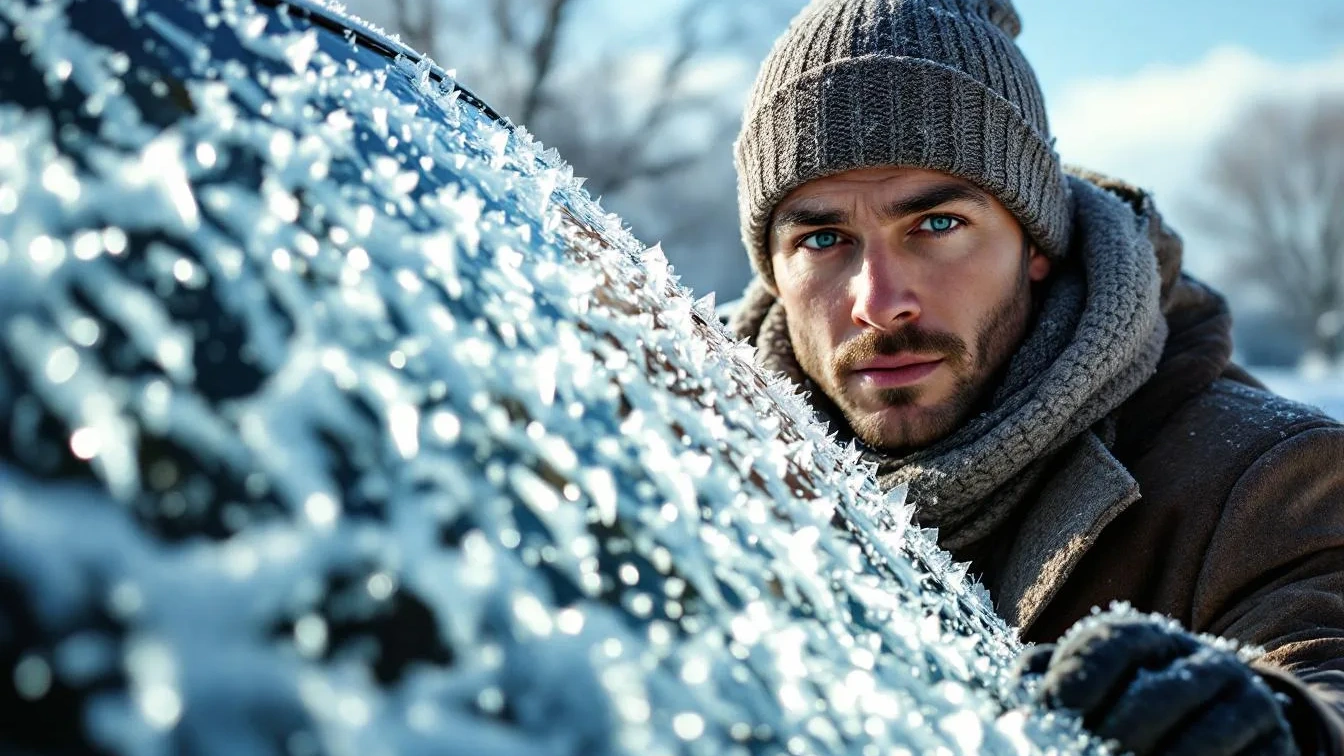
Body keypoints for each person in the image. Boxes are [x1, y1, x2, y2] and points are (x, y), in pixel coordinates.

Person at [727, 1, 1344, 754]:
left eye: (938, 225)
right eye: (824, 238)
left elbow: (1327, 660)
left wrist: (1283, 725)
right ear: (774, 270)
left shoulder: (1265, 479)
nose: (880, 303)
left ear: (1037, 245)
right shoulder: (698, 452)